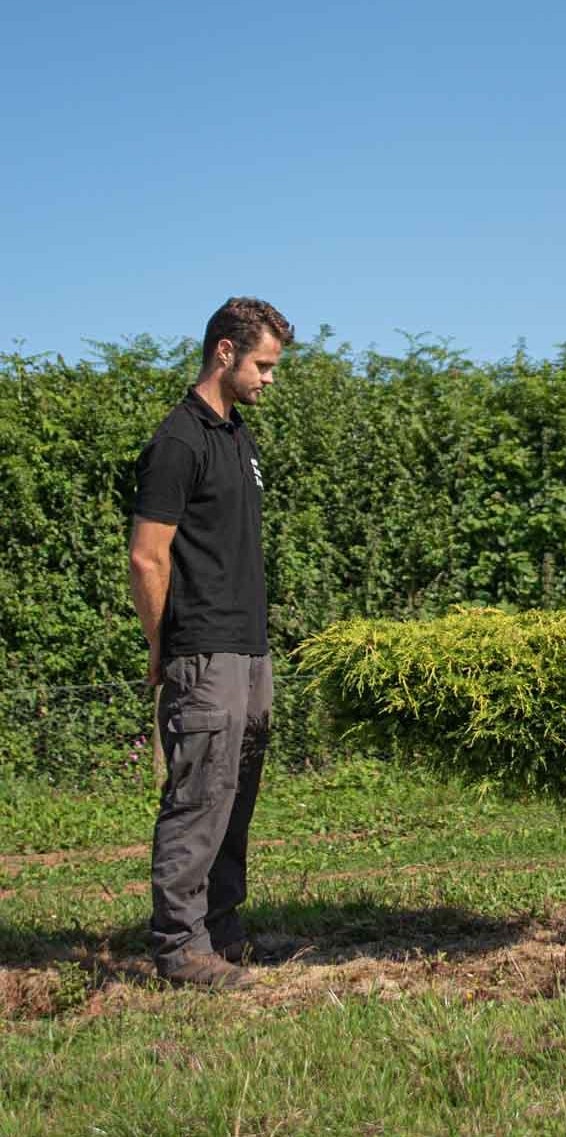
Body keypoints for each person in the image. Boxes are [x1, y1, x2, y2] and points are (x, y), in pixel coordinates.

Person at [129, 297, 293, 989]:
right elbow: (146, 556)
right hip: (204, 652)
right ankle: (180, 949)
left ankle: (222, 932)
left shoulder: (235, 437)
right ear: (224, 352)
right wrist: (163, 645)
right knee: (199, 797)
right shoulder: (179, 441)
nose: (269, 379)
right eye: (262, 364)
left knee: (235, 796)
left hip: (248, 650)